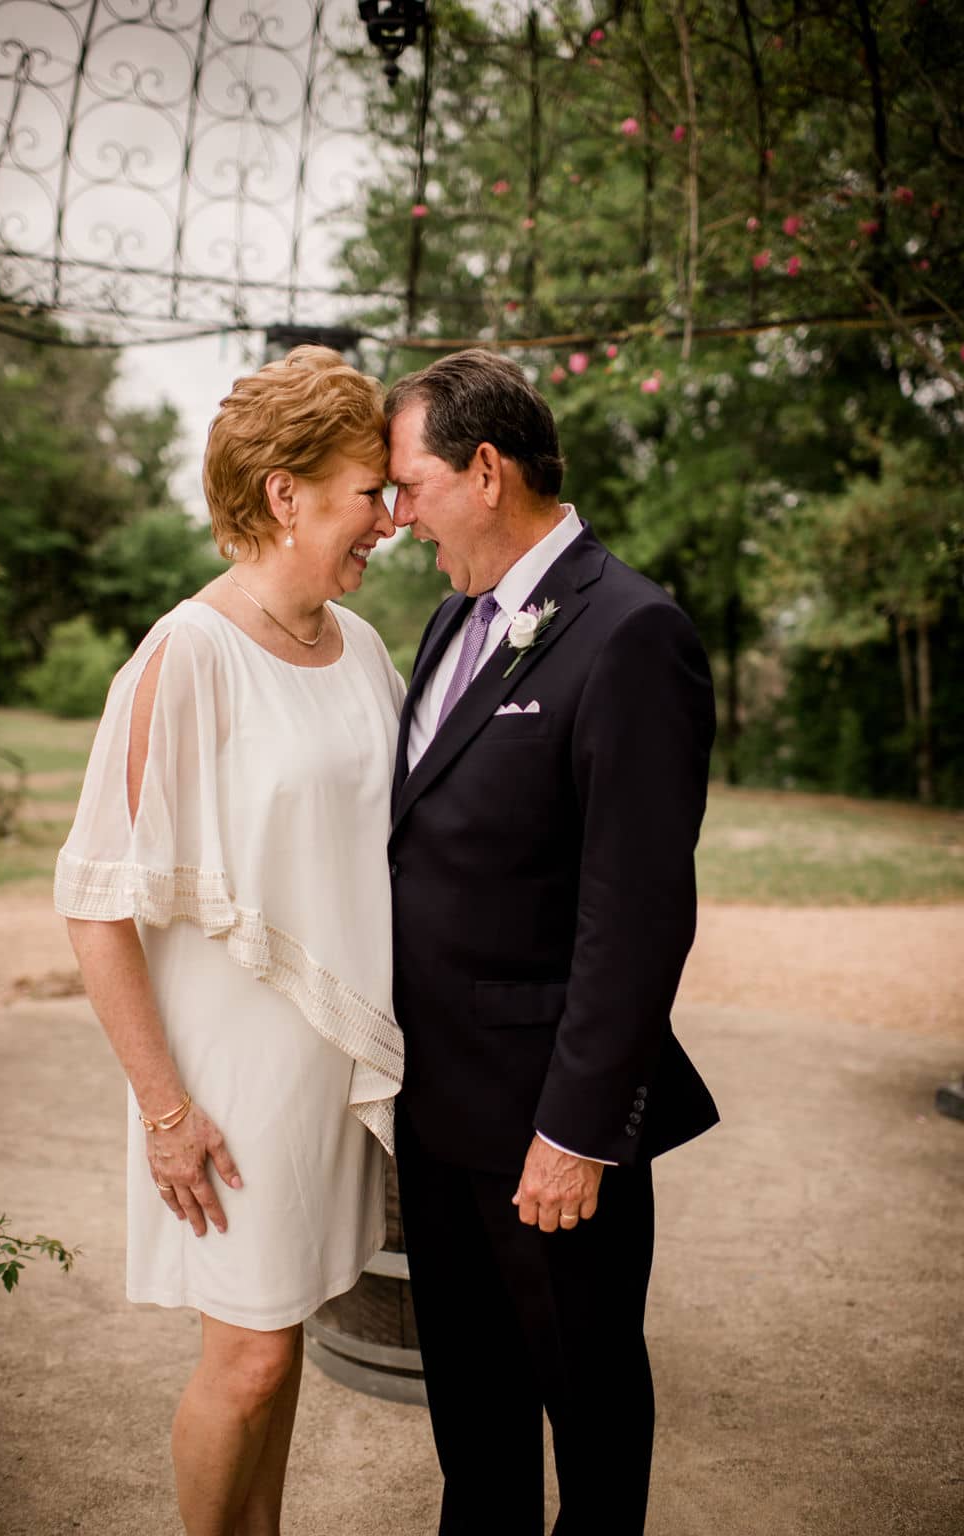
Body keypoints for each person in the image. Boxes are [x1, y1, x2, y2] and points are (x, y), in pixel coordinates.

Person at [54, 346, 404, 1536]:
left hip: (320, 1069)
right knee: (245, 1362)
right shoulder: (182, 657)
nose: (391, 521)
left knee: (282, 1329)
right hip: (225, 1085)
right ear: (285, 493)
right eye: (371, 492)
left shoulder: (360, 651)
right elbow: (97, 905)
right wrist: (165, 1110)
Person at [385, 349, 719, 1536]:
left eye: (409, 486)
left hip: (546, 1132)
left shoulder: (631, 631)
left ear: (485, 470)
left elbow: (634, 914)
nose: (395, 516)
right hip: (434, 1115)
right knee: (471, 1422)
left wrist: (574, 1132)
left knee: (585, 1405)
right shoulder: (446, 619)